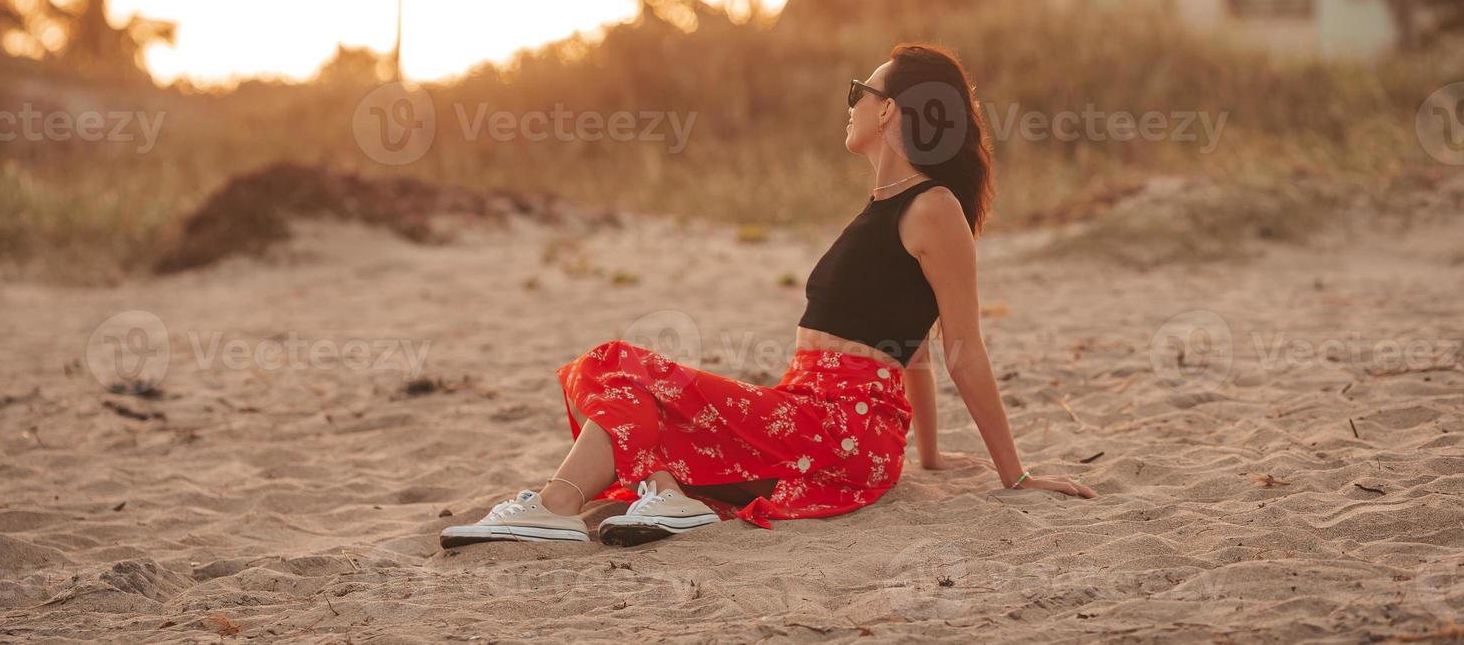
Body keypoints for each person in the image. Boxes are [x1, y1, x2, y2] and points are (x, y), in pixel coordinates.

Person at [441, 42, 1096, 548]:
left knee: (617, 364)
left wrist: (1015, 476)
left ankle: (557, 508)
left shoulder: (935, 209)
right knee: (616, 382)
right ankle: (664, 493)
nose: (850, 104)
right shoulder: (886, 208)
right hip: (807, 412)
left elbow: (963, 349)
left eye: (857, 92)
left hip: (844, 430)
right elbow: (907, 335)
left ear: (888, 109)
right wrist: (925, 451)